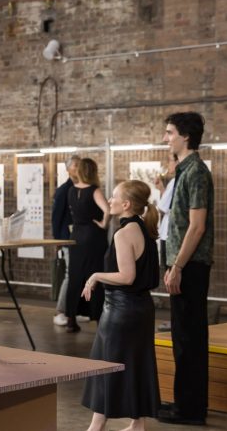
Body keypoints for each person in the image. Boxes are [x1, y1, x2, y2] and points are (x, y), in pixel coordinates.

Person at [81, 180, 161, 431]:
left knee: (106, 364)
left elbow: (127, 277)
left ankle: (97, 425)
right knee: (137, 364)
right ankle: (138, 423)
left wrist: (96, 275)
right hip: (142, 309)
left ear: (126, 204)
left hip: (121, 310)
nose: (110, 200)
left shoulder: (123, 234)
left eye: (114, 196)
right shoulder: (145, 230)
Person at [157, 112, 214, 426]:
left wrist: (177, 265)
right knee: (182, 336)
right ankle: (184, 402)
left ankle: (190, 409)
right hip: (182, 263)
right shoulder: (184, 170)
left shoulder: (196, 172)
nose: (165, 138)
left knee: (189, 338)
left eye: (169, 133)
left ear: (185, 136)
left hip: (190, 265)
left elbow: (197, 226)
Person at [66, 157, 109, 333]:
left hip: (76, 236)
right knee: (96, 275)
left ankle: (71, 318)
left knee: (75, 277)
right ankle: (98, 318)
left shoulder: (71, 190)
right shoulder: (94, 190)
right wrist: (104, 224)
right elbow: (107, 209)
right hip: (93, 236)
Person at [51, 155, 85, 326]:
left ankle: (74, 311)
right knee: (69, 275)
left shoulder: (82, 188)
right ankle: (61, 311)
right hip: (67, 238)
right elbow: (56, 217)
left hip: (80, 238)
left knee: (79, 274)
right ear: (68, 169)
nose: (78, 168)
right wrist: (57, 240)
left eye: (80, 165)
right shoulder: (64, 190)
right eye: (75, 165)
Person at [154, 153, 178, 270]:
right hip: (169, 233)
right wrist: (162, 188)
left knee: (169, 270)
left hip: (169, 234)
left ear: (177, 162)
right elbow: (167, 205)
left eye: (170, 160)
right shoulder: (174, 181)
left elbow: (162, 208)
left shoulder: (175, 181)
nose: (168, 164)